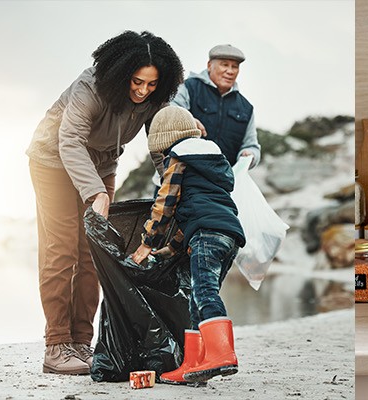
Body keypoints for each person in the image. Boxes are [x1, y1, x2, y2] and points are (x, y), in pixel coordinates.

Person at [26, 30, 183, 375]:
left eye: (152, 85)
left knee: (93, 254)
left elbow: (160, 149)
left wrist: (174, 187)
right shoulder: (92, 87)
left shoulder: (156, 101)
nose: (143, 91)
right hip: (52, 158)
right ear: (121, 73)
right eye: (137, 82)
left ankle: (81, 342)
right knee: (62, 248)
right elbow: (69, 141)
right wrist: (95, 192)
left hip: (103, 164)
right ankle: (56, 346)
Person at [131, 105, 246, 384]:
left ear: (164, 138)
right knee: (198, 298)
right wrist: (173, 248)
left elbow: (165, 202)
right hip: (227, 235)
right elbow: (195, 208)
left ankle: (222, 354)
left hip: (207, 234)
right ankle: (194, 364)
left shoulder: (178, 158)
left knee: (204, 292)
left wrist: (148, 242)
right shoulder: (211, 160)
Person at [170, 44, 260, 170]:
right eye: (224, 64)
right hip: (179, 176)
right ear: (209, 65)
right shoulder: (188, 88)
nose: (230, 71)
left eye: (235, 66)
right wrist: (186, 120)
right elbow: (169, 115)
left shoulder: (246, 108)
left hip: (220, 183)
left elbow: (252, 146)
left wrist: (250, 155)